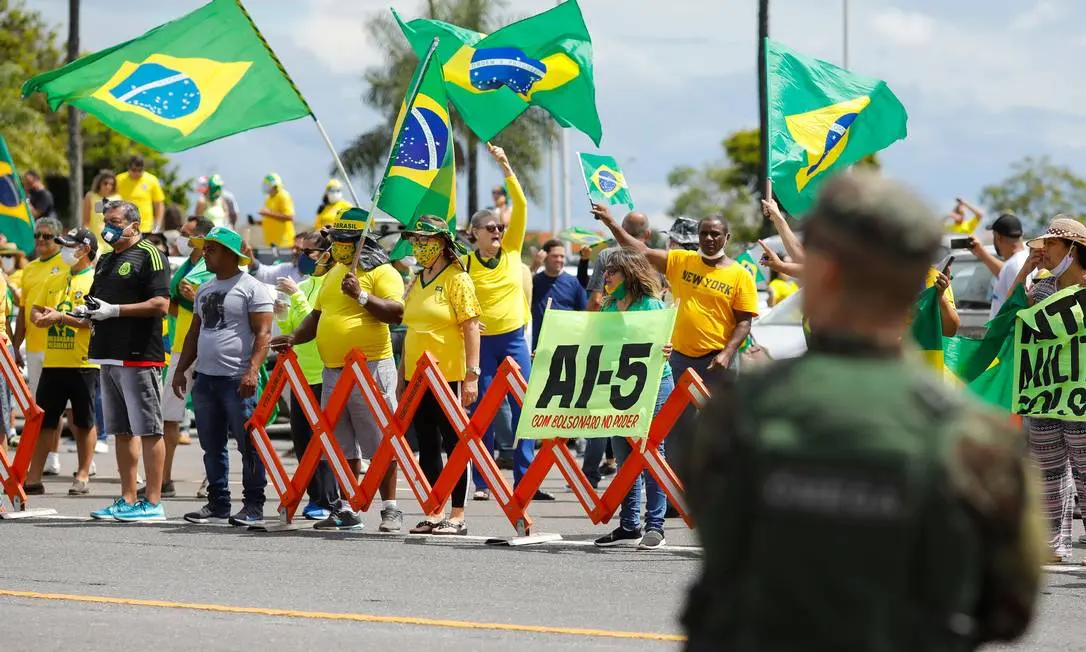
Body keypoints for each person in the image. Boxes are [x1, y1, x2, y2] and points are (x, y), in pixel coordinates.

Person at [680, 171, 1046, 651]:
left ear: (823, 273)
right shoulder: (975, 437)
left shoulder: (738, 415)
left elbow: (722, 550)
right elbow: (1010, 606)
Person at [269, 208, 404, 532]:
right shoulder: (333, 274)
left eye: (346, 241)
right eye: (337, 241)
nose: (339, 246)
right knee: (340, 442)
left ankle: (391, 508)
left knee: (380, 440)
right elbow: (317, 317)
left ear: (361, 242)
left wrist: (360, 295)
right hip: (334, 370)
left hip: (370, 368)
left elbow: (396, 313)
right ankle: (347, 506)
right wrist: (294, 337)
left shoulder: (383, 272)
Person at [594, 203, 758, 468]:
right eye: (704, 233)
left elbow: (744, 323)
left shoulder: (740, 275)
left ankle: (716, 492)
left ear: (727, 238)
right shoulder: (682, 260)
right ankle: (674, 497)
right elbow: (642, 251)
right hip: (680, 359)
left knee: (719, 428)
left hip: (718, 362)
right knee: (674, 429)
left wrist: (727, 353)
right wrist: (612, 223)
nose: (709, 238)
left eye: (716, 234)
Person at [172, 226, 273, 526]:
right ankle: (218, 504)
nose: (205, 254)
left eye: (212, 249)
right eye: (205, 248)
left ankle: (254, 505)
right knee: (211, 445)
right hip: (206, 378)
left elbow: (263, 334)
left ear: (231, 254)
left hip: (237, 379)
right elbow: (194, 333)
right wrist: (181, 371)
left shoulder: (253, 288)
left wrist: (252, 371)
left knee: (249, 444)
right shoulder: (204, 288)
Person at [463, 144, 544, 501]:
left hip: (513, 340)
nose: (497, 231)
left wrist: (506, 166)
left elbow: (521, 206)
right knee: (483, 412)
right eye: (490, 228)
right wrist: (464, 324)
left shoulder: (512, 251)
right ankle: (482, 482)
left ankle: (524, 480)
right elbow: (452, 303)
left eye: (499, 227)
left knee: (524, 409)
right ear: (474, 232)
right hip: (483, 346)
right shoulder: (464, 265)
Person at [84, 200, 171, 522]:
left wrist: (116, 311)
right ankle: (127, 497)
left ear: (134, 224)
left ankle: (153, 501)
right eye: (107, 220)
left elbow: (161, 303)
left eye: (116, 221)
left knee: (148, 429)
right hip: (107, 353)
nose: (109, 226)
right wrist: (76, 315)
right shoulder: (106, 259)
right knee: (121, 431)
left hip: (138, 354)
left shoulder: (150, 254)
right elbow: (98, 304)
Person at [1010, 216, 1086, 562]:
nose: (1044, 253)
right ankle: (1052, 544)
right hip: (1045, 395)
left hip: (1080, 397)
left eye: (1050, 246)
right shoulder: (1040, 288)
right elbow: (1009, 313)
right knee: (1047, 471)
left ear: (1073, 248)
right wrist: (1026, 267)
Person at [400, 215, 481, 535]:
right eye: (415, 242)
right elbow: (409, 327)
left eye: (425, 242)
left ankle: (457, 513)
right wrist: (404, 378)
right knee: (428, 445)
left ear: (442, 245)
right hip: (417, 376)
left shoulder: (457, 279)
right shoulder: (416, 279)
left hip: (448, 374)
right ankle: (434, 509)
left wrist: (472, 374)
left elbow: (471, 325)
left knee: (453, 443)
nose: (418, 247)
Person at [591, 249, 674, 550]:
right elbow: (595, 344)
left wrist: (668, 348)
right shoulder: (608, 307)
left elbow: (666, 340)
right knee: (625, 457)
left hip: (654, 384)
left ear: (630, 274)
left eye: (613, 271)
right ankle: (629, 526)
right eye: (606, 271)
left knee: (652, 453)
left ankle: (656, 526)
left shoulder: (651, 305)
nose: (606, 276)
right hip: (618, 387)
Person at [22, 228, 99, 496]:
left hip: (84, 362)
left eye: (70, 246)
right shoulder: (55, 278)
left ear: (85, 249)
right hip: (53, 361)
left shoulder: (95, 280)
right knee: (45, 420)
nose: (65, 250)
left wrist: (59, 318)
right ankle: (34, 475)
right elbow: (35, 308)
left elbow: (92, 319)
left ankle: (82, 473)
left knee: (83, 421)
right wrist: (39, 318)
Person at [273, 230, 338, 520]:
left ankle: (328, 498)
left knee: (322, 440)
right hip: (300, 374)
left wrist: (296, 296)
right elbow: (295, 325)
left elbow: (316, 321)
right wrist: (281, 311)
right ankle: (314, 496)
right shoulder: (306, 282)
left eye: (308, 252)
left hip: (322, 372)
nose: (302, 257)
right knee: (300, 438)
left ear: (325, 254)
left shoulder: (328, 285)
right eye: (299, 252)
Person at [159, 215, 216, 499]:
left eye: (186, 234)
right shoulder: (185, 266)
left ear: (202, 239)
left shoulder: (213, 266)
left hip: (205, 347)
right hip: (179, 346)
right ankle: (163, 478)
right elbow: (172, 306)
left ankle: (212, 479)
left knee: (209, 415)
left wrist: (193, 298)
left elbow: (214, 307)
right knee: (168, 414)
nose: (180, 238)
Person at [13, 217, 69, 476]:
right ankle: (44, 457)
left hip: (62, 345)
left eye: (46, 236)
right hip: (34, 347)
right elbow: (24, 311)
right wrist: (16, 346)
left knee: (64, 406)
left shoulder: (66, 264)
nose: (40, 241)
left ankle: (58, 456)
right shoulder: (30, 268)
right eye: (37, 236)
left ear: (58, 239)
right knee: (40, 405)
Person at [587, 211, 652, 311]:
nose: (606, 275)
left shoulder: (606, 255)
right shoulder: (656, 259)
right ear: (648, 234)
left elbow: (596, 300)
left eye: (612, 270)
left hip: (610, 320)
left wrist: (589, 324)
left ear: (622, 229)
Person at [531, 239, 587, 351]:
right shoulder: (535, 281)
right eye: (555, 256)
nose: (559, 260)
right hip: (541, 347)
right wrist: (534, 267)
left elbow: (583, 313)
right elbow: (520, 291)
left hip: (567, 346)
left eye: (562, 256)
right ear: (545, 257)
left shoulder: (573, 282)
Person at [970, 213, 1028, 319]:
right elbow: (1004, 272)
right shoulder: (1024, 260)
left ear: (998, 238)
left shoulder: (1014, 265)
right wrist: (980, 252)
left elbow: (1016, 308)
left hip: (1007, 334)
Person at [115, 155, 165, 234]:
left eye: (140, 170)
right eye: (134, 170)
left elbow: (159, 204)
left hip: (146, 228)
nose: (137, 173)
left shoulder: (152, 180)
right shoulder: (119, 179)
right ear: (128, 167)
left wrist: (158, 225)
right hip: (123, 226)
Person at [82, 169, 120, 250]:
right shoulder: (90, 196)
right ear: (99, 183)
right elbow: (86, 221)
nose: (108, 186)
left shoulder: (117, 198)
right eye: (105, 183)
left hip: (111, 240)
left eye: (111, 184)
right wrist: (86, 237)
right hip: (95, 240)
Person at [259, 172, 296, 249]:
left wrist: (267, 213)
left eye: (268, 184)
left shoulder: (283, 195)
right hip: (271, 243)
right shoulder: (268, 199)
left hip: (284, 243)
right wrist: (256, 222)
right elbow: (270, 219)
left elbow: (289, 216)